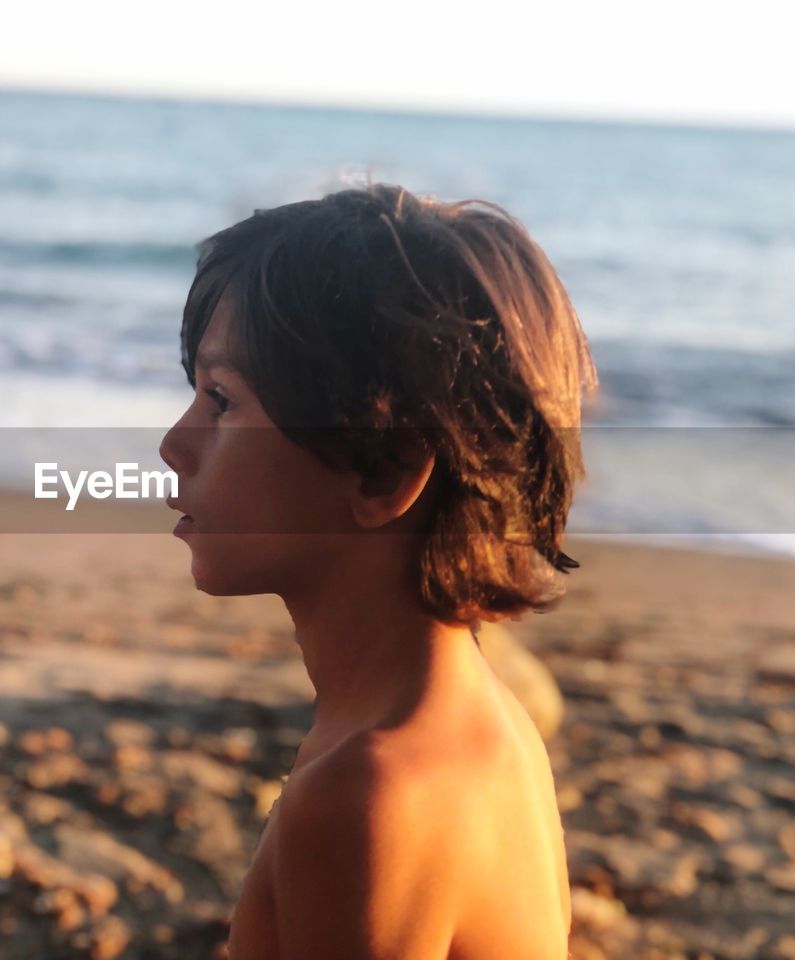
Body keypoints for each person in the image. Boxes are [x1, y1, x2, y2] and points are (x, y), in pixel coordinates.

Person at [158, 183, 598, 959]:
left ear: (383, 472)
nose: (173, 442)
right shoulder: (479, 719)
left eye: (222, 401)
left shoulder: (370, 793)